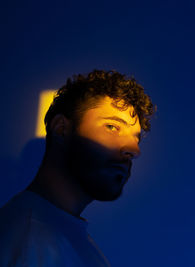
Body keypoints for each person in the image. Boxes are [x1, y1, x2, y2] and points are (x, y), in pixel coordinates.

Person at [0, 69, 155, 266]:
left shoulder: (63, 237)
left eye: (136, 138)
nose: (134, 150)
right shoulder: (30, 241)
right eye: (112, 127)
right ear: (61, 129)